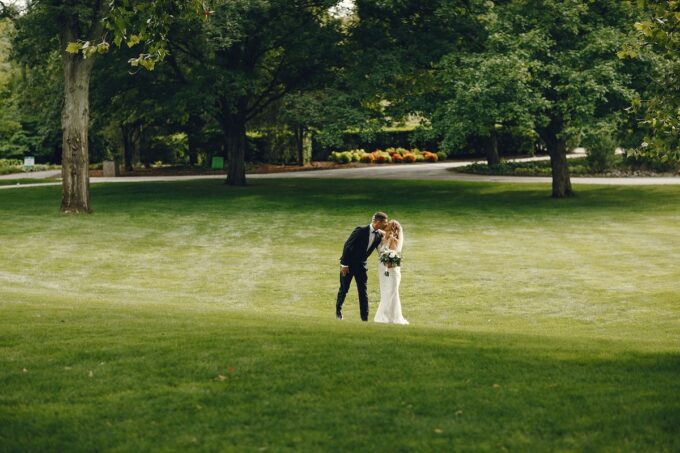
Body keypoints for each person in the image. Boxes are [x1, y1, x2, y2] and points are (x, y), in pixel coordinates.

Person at [335, 212, 388, 321]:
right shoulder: (360, 230)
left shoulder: (378, 235)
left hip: (361, 267)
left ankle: (364, 318)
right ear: (378, 222)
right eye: (384, 223)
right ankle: (338, 310)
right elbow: (347, 245)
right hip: (348, 265)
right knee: (344, 289)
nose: (386, 225)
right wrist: (344, 264)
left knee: (363, 292)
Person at [374, 220, 408, 324]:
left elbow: (393, 254)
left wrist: (388, 263)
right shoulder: (384, 237)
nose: (386, 226)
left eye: (388, 225)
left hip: (392, 270)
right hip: (383, 270)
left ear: (392, 228)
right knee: (385, 292)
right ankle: (387, 317)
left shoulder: (393, 240)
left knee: (392, 292)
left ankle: (389, 317)